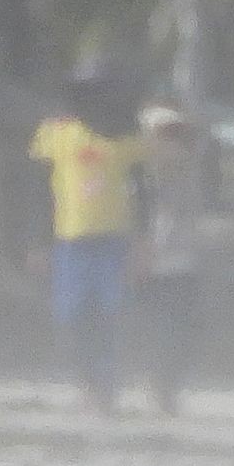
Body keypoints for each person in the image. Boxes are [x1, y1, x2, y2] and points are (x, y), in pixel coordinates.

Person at [28, 74, 146, 416]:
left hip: (114, 243)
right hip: (69, 243)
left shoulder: (127, 137)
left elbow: (143, 191)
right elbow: (39, 191)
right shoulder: (57, 134)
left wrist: (143, 240)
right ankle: (87, 383)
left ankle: (105, 390)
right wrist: (37, 241)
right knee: (71, 316)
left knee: (111, 315)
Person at [135, 107, 208, 417]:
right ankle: (157, 387)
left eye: (176, 138)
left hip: (180, 266)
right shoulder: (139, 182)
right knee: (155, 330)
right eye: (162, 137)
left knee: (176, 332)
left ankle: (167, 390)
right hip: (150, 268)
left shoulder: (186, 180)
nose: (170, 145)